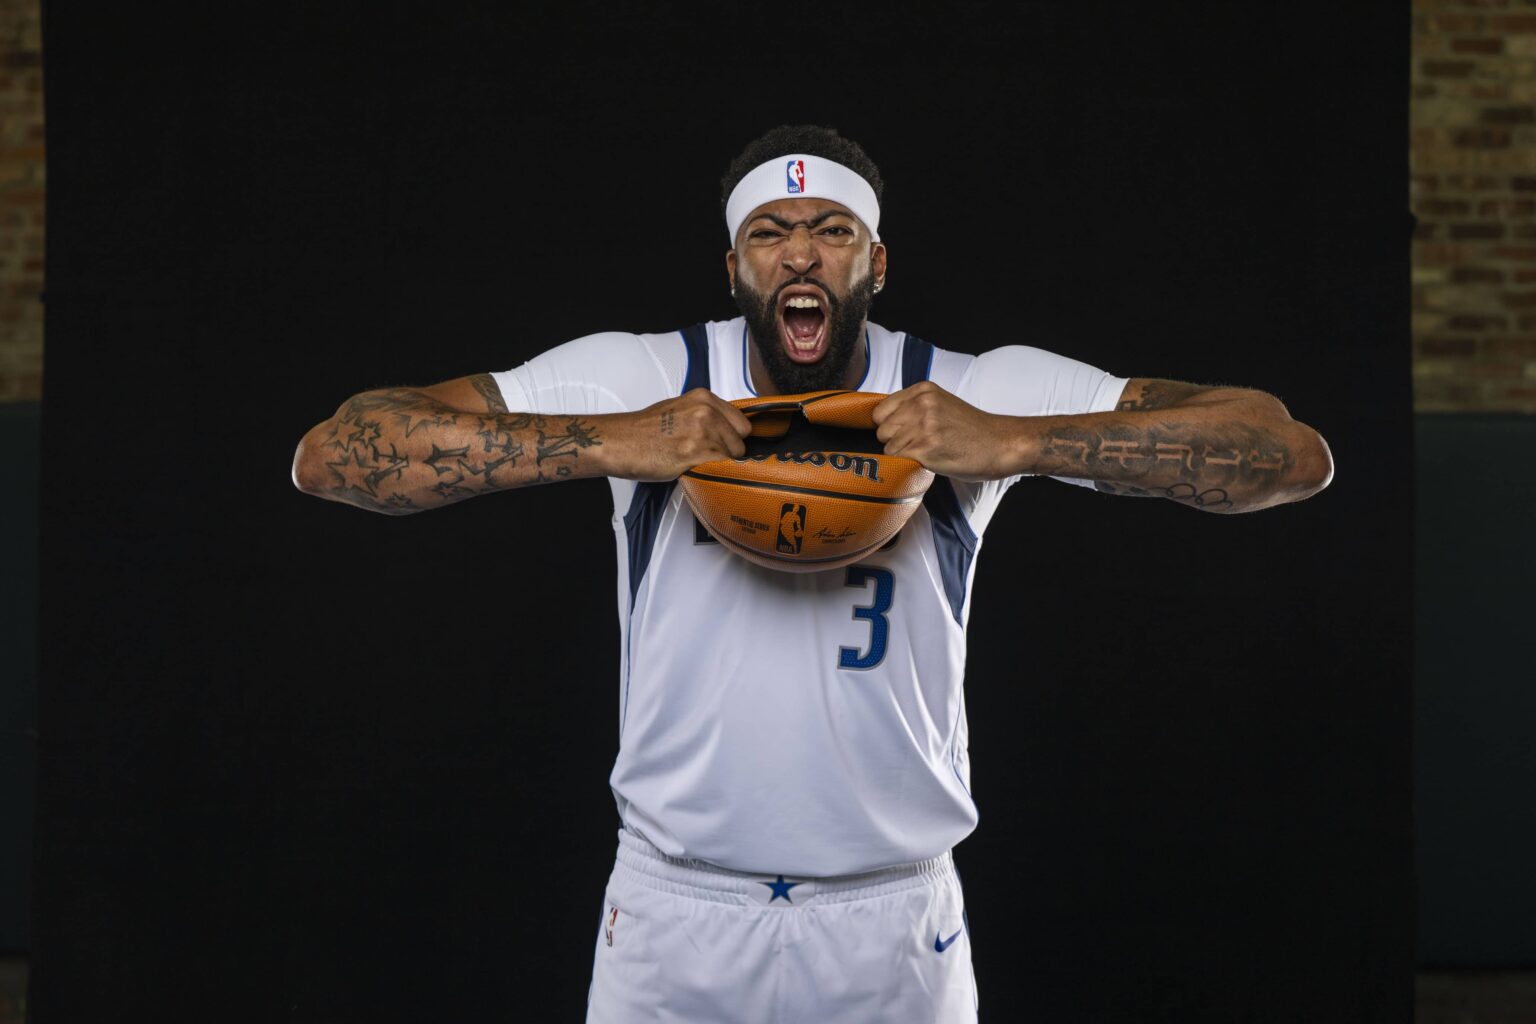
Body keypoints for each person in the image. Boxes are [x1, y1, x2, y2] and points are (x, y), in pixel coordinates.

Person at [291, 124, 1333, 1023]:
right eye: (770, 233)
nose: (801, 252)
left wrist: (1018, 441)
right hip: (674, 916)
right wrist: (613, 441)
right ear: (734, 268)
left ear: (876, 262)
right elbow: (335, 454)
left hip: (891, 919)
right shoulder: (649, 379)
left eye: (832, 230)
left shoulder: (966, 389)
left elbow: (1288, 454)